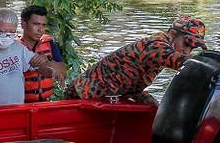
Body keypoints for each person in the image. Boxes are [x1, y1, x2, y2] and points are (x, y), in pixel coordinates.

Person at [65, 15, 206, 104]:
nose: (188, 50)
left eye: (193, 48)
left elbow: (130, 81)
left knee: (152, 106)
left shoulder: (164, 49)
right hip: (82, 94)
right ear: (173, 34)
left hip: (108, 96)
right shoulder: (156, 45)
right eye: (187, 43)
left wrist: (143, 97)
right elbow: (182, 62)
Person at [19, 5, 67, 103]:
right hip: (21, 104)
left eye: (43, 25)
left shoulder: (49, 43)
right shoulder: (14, 47)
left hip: (45, 102)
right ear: (23, 24)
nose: (41, 29)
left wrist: (46, 59)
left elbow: (63, 72)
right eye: (36, 24)